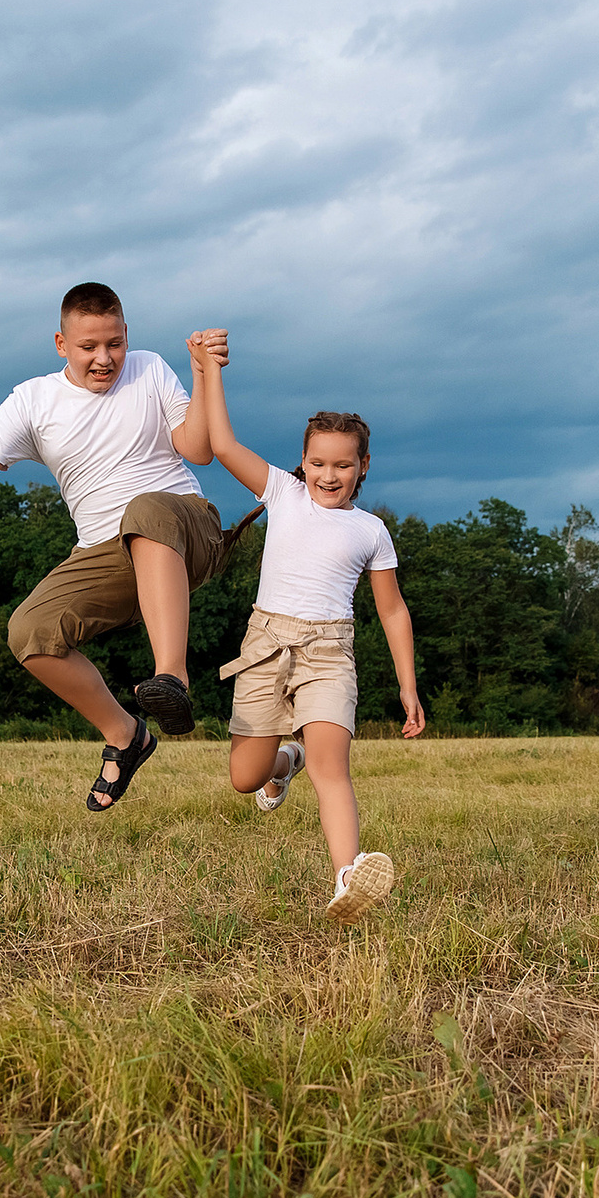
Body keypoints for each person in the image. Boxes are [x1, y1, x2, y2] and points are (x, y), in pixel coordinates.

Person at [0, 282, 239, 811]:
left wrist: (205, 373)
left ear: (127, 335)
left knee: (145, 509)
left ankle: (171, 677)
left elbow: (198, 450)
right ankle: (125, 735)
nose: (104, 358)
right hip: (108, 551)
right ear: (60, 343)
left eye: (114, 344)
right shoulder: (33, 400)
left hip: (187, 529)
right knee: (30, 632)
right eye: (88, 346)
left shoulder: (149, 369)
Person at [186, 329, 424, 921]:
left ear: (363, 466)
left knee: (331, 767)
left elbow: (392, 610)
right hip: (266, 646)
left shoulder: (371, 530)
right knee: (245, 777)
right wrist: (210, 369)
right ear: (303, 461)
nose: (328, 474)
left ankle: (348, 877)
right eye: (318, 462)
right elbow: (220, 443)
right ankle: (282, 763)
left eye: (342, 464)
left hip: (329, 652)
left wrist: (408, 686)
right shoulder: (283, 492)